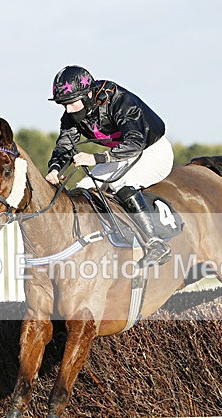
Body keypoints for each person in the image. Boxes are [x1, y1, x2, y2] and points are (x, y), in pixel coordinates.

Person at [45, 65, 174, 267]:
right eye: (63, 105)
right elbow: (65, 145)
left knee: (122, 186)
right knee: (83, 190)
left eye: (71, 103)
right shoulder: (72, 115)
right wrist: (54, 169)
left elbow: (134, 143)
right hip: (117, 156)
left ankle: (155, 244)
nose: (68, 110)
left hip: (152, 150)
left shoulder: (120, 101)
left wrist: (95, 159)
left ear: (88, 95)